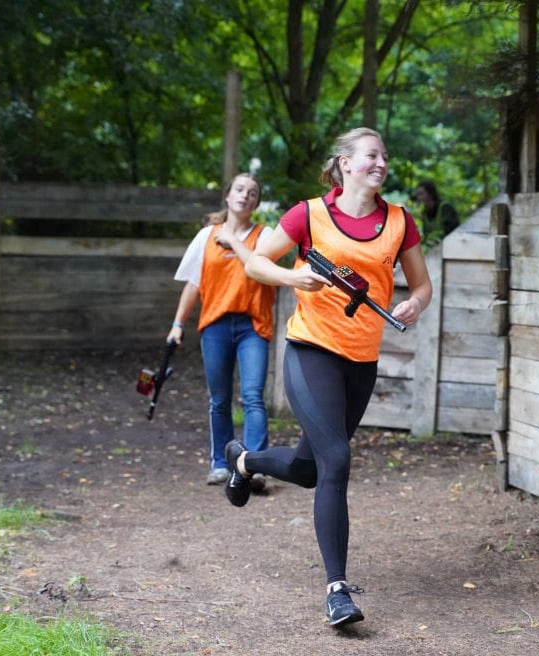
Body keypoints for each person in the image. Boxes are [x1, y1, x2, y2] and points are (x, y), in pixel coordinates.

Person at [227, 127, 433, 628]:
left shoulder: (400, 222)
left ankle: (246, 459)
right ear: (345, 164)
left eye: (385, 155)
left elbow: (422, 285)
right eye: (371, 155)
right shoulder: (309, 215)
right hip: (310, 349)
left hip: (361, 361)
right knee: (337, 458)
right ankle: (337, 591)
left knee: (313, 469)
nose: (381, 162)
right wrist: (292, 277)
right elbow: (256, 262)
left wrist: (414, 303)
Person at [167, 173, 275, 488]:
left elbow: (263, 269)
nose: (245, 195)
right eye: (239, 190)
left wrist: (235, 242)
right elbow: (193, 283)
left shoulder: (265, 236)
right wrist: (177, 324)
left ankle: (253, 467)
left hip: (252, 326)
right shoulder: (206, 236)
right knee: (219, 399)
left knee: (253, 396)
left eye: (252, 192)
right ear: (227, 196)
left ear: (256, 203)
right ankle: (220, 463)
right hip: (214, 325)